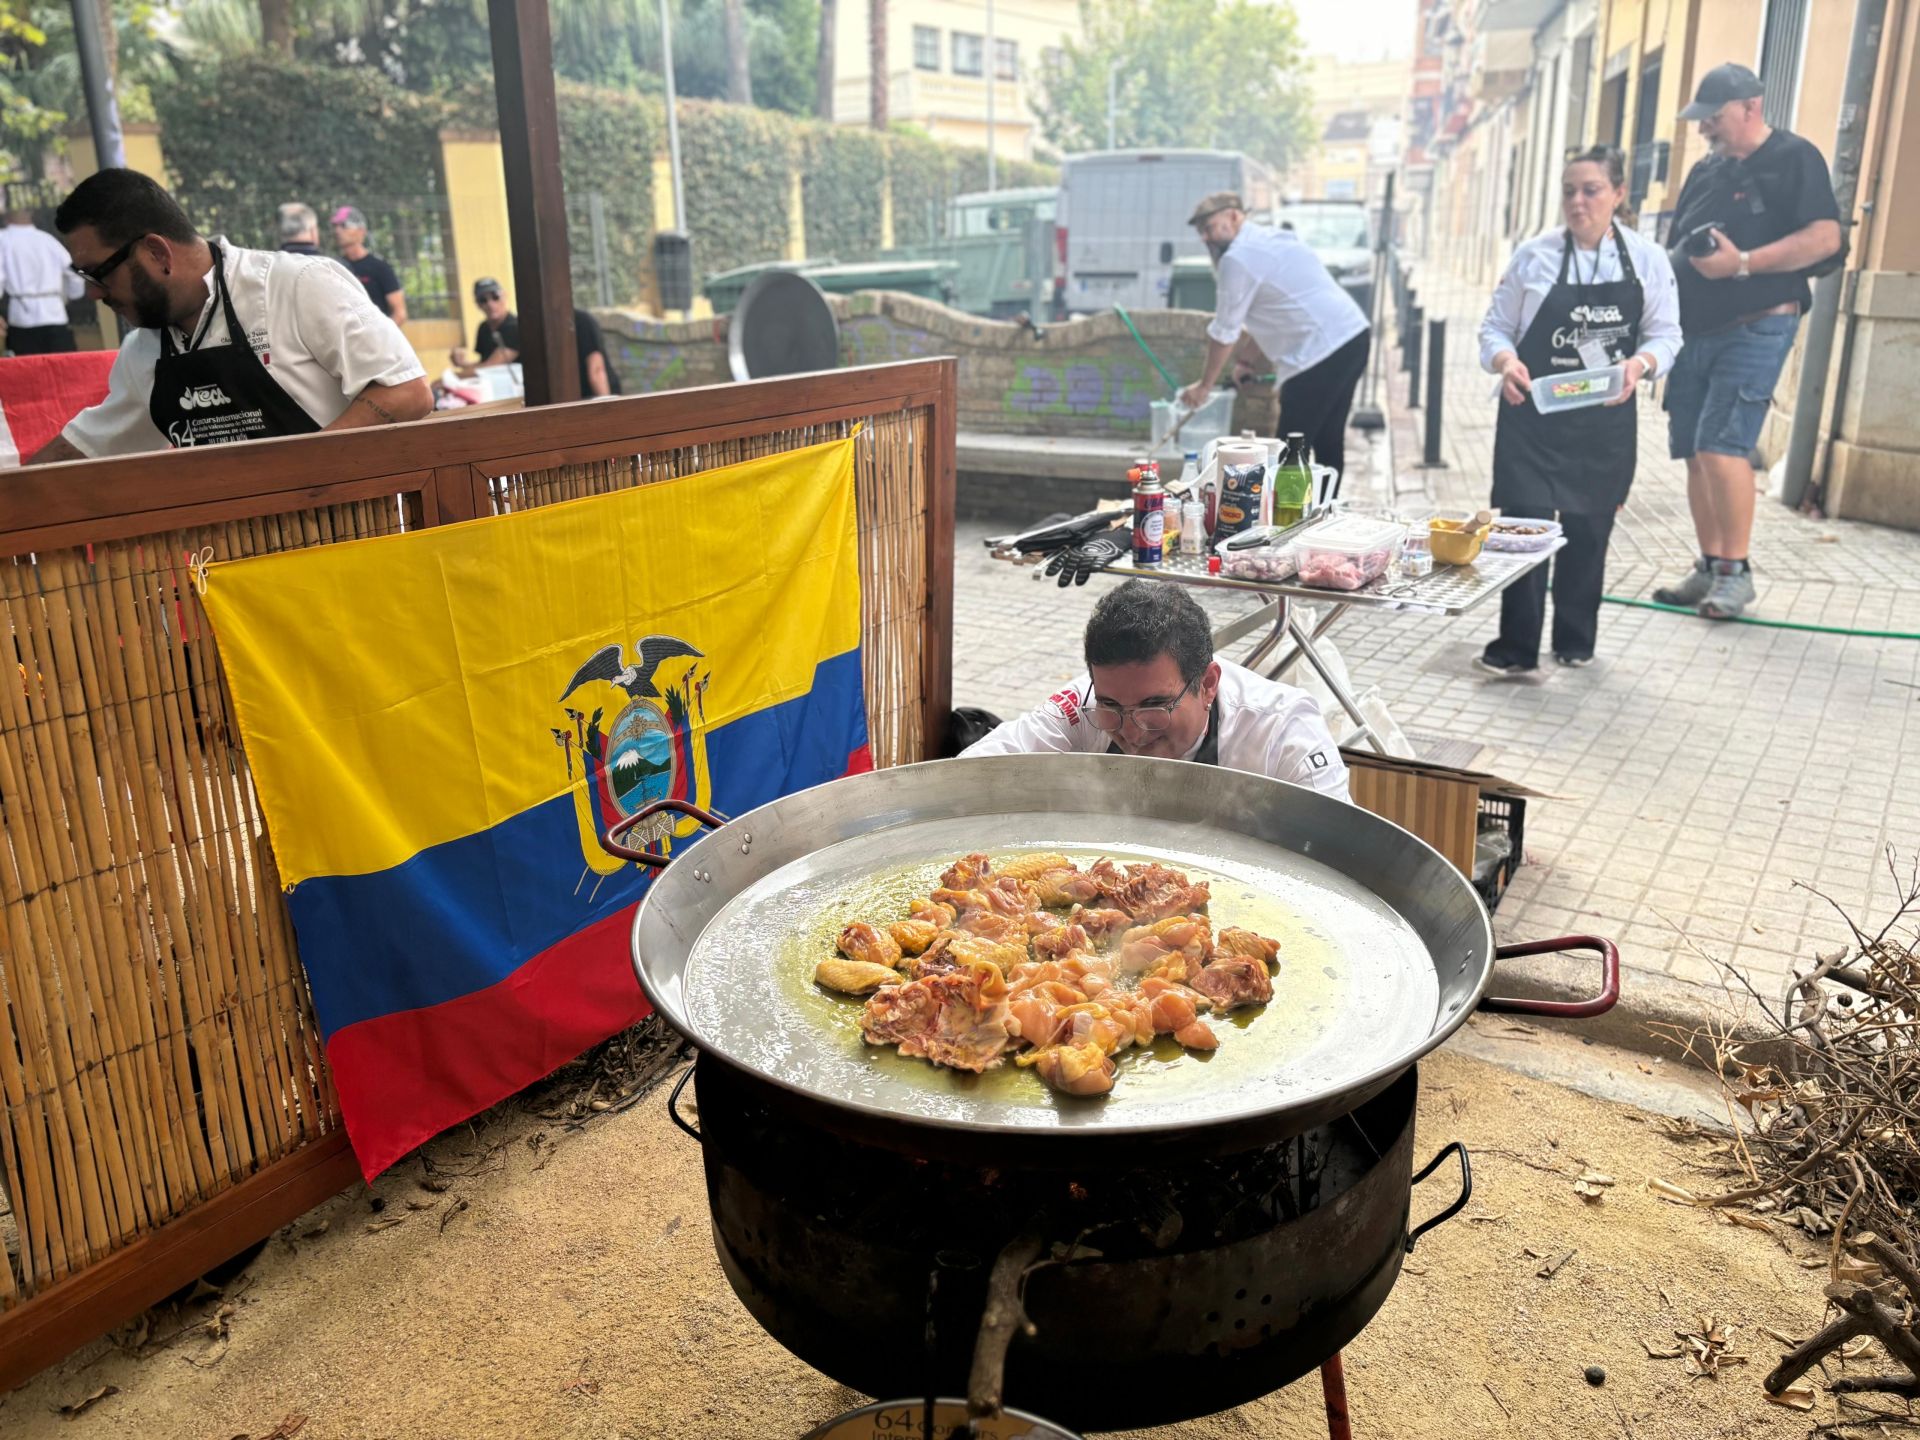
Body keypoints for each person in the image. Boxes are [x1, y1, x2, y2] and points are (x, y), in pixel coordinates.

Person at [27, 169, 431, 464]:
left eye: (98, 274)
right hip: (235, 554)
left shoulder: (295, 285)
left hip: (354, 534)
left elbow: (406, 392)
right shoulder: (143, 353)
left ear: (157, 253)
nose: (94, 293)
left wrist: (298, 470)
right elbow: (87, 450)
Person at [1475, 146, 1684, 676]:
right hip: (1532, 420)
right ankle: (1516, 648)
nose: (1578, 201)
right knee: (1524, 531)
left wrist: (1640, 364)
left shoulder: (1648, 259)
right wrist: (1505, 362)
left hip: (1603, 424)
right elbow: (1494, 328)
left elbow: (1667, 335)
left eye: (1591, 190)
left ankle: (1574, 641)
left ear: (1618, 194)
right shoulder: (1534, 256)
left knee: (1589, 534)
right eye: (1569, 191)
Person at [1655, 62, 1842, 620]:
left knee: (1722, 445)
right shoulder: (1706, 170)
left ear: (1750, 107)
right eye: (1700, 120)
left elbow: (1826, 238)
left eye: (1712, 118)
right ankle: (1710, 565)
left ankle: (1736, 574)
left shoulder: (1795, 158)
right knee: (1694, 450)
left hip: (1758, 322)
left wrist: (1741, 264)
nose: (1704, 129)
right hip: (1694, 327)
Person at [963, 579, 1352, 802]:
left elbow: (1339, 850)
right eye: (1112, 707)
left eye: (1154, 706)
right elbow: (972, 774)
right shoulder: (1083, 704)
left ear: (1208, 685)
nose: (1132, 732)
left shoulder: (1282, 730)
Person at [1177, 191, 1370, 482]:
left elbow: (1225, 331)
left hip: (1318, 351)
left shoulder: (1238, 259)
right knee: (1328, 439)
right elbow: (1273, 310)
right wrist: (1246, 362)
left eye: (1209, 228)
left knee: (1289, 448)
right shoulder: (1275, 239)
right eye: (1201, 232)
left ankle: (1286, 509)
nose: (1205, 238)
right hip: (1352, 336)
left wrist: (1204, 386)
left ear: (1234, 216)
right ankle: (1326, 505)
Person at [467, 277, 622, 397]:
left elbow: (596, 370)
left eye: (495, 297)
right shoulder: (535, 326)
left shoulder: (581, 320)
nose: (490, 304)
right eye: (483, 300)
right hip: (566, 399)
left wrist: (606, 407)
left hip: (592, 396)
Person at [0, 208, 85, 354]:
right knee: (62, 364)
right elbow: (74, 273)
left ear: (6, 216)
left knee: (28, 366)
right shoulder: (47, 239)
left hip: (22, 317)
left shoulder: (3, 239)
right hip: (55, 314)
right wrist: (73, 295)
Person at [331, 205, 407, 325]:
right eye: (335, 226)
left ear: (361, 231)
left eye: (344, 225)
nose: (337, 231)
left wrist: (381, 334)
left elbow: (400, 313)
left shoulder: (380, 267)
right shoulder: (335, 267)